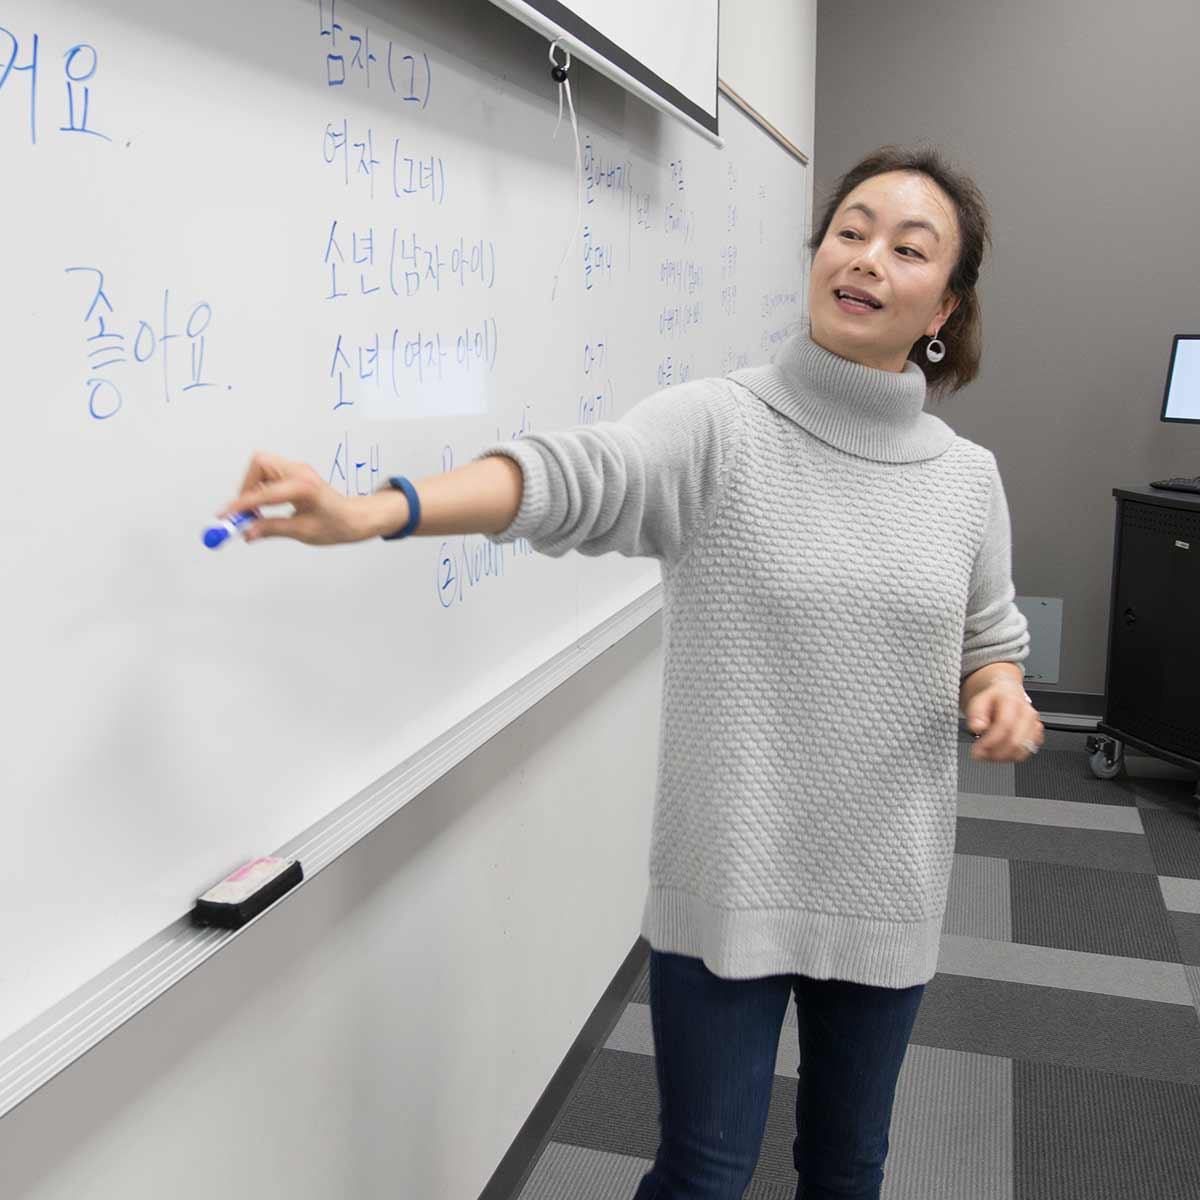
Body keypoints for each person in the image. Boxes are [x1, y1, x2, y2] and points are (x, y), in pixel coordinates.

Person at [216, 143, 1045, 1199]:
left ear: (946, 307)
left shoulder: (968, 482)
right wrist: (380, 508)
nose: (869, 256)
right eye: (850, 229)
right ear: (817, 254)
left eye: (908, 247)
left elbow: (990, 635)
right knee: (702, 1173)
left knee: (849, 1166)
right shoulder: (720, 428)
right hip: (730, 872)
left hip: (888, 878)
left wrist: (998, 689)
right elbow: (575, 476)